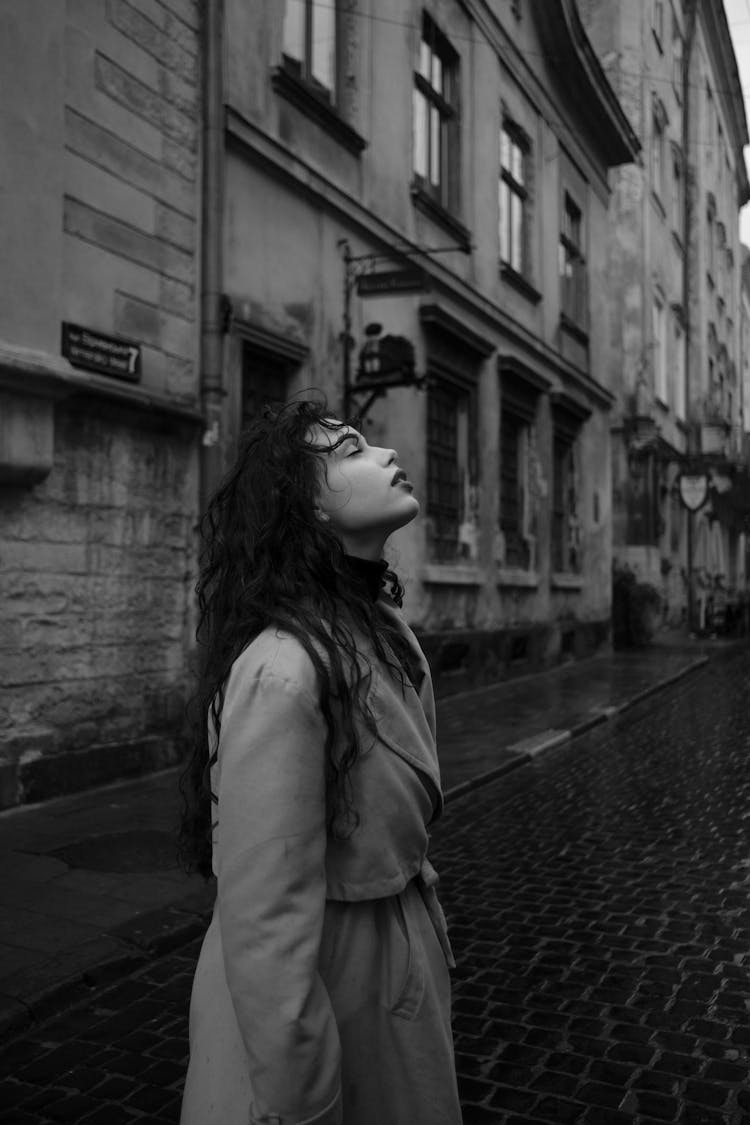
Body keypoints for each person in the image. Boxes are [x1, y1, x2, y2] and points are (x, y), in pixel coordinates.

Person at [178, 397, 462, 1125]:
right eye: (350, 452)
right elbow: (267, 918)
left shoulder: (384, 631)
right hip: (325, 983)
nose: (386, 455)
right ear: (309, 510)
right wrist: (302, 1100)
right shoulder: (284, 669)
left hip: (384, 973)